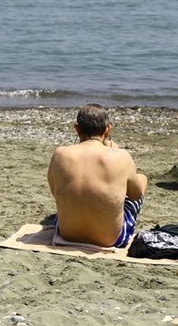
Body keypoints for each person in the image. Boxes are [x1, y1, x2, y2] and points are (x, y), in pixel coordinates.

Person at [47, 104, 148, 248]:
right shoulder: (122, 157)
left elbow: (54, 191)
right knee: (142, 179)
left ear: (77, 128)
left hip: (67, 234)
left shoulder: (60, 154)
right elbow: (136, 195)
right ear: (108, 129)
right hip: (110, 240)